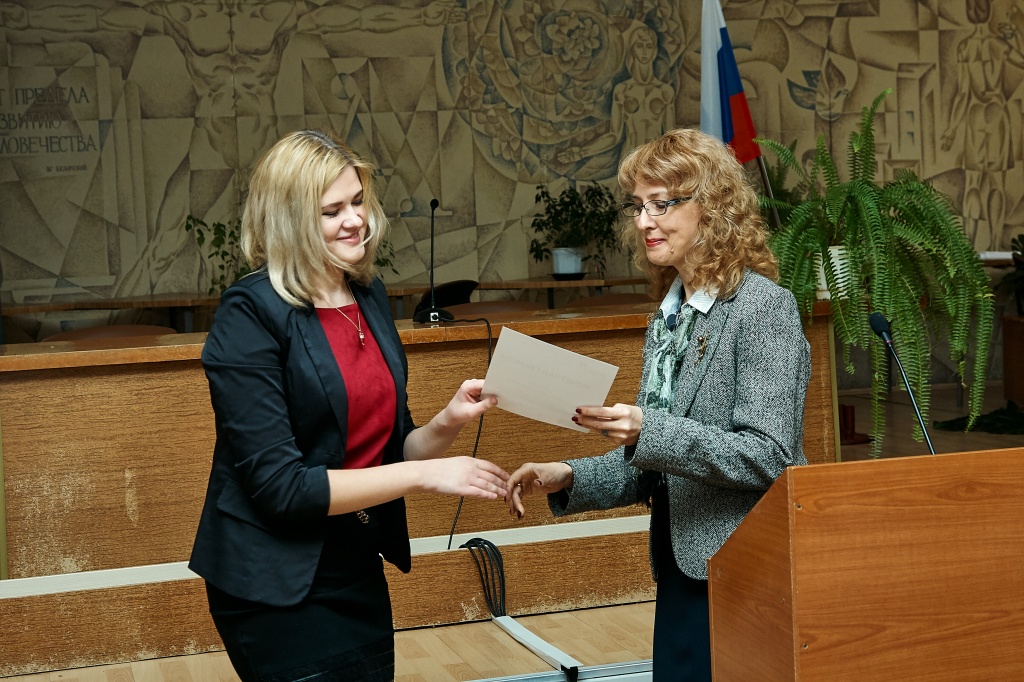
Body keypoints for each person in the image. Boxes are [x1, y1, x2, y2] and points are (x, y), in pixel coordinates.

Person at [189, 128, 510, 682]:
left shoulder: (367, 294)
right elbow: (283, 489)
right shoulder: (250, 313)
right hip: (275, 581)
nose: (355, 219)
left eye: (358, 201)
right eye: (331, 211)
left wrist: (447, 421)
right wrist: (426, 476)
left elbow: (392, 448)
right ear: (290, 220)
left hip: (355, 563)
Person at [505, 128, 811, 681]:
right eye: (638, 206)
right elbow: (656, 465)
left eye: (662, 204)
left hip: (746, 567)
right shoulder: (669, 319)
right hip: (680, 564)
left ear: (712, 209)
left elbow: (767, 455)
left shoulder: (763, 309)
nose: (644, 221)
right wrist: (567, 476)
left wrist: (648, 429)